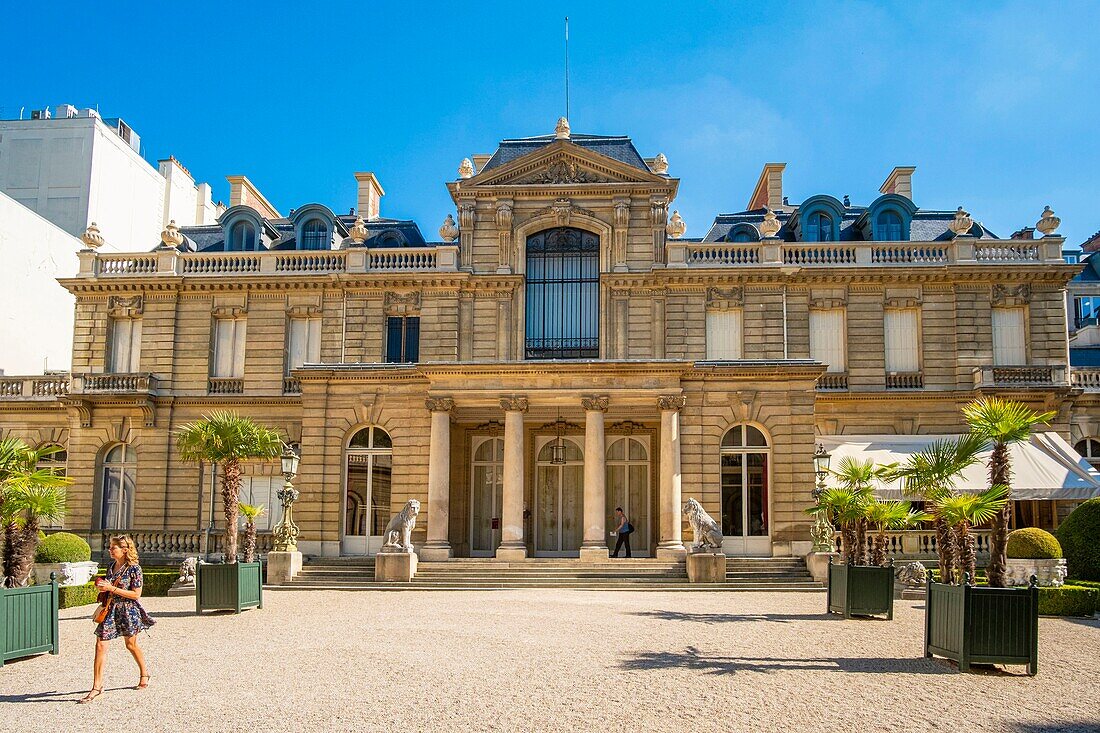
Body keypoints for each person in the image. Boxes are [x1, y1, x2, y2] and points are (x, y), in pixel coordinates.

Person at [79, 535, 155, 704]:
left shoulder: (135, 569)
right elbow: (110, 587)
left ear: (125, 550)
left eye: (113, 547)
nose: (110, 550)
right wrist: (103, 587)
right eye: (110, 547)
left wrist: (111, 587)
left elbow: (136, 594)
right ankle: (96, 687)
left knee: (131, 645)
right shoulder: (111, 566)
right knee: (100, 645)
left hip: (128, 610)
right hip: (111, 609)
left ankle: (144, 673)